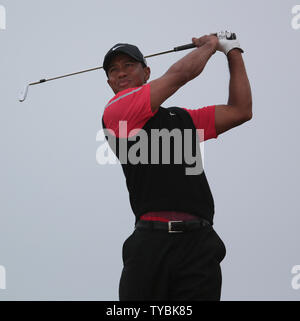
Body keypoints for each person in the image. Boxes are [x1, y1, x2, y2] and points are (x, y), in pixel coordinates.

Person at [101, 31, 252, 301]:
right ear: (110, 82)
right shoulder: (116, 112)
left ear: (146, 72)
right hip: (150, 245)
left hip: (199, 245)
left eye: (128, 65)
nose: (121, 73)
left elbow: (240, 110)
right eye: (113, 70)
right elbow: (180, 76)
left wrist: (233, 51)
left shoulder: (181, 119)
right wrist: (210, 46)